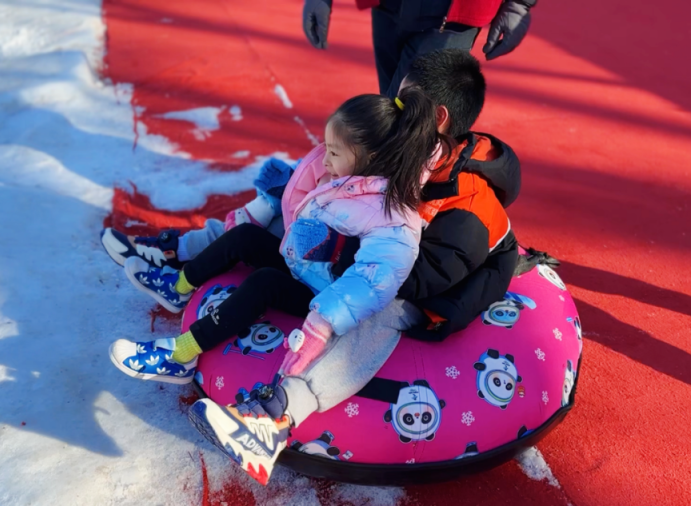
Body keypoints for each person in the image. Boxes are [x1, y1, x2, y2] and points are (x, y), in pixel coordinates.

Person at [187, 49, 521, 485]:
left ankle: (275, 418)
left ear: (438, 118)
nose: (394, 109)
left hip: (441, 288)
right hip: (385, 255)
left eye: (404, 104)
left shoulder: (469, 204)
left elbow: (418, 279)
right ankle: (187, 255)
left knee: (383, 312)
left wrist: (339, 250)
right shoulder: (416, 150)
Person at [108, 88, 445, 392]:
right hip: (301, 264)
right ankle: (179, 286)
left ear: (370, 157)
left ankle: (181, 355)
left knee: (264, 282)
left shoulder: (393, 214)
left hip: (320, 294)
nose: (325, 160)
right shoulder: (352, 178)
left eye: (333, 153)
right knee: (245, 236)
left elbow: (373, 280)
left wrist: (321, 324)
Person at [302, 0, 537, 96]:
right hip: (388, 6)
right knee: (389, 108)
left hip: (449, 16)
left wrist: (518, 4)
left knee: (410, 121)